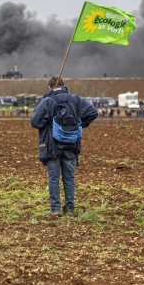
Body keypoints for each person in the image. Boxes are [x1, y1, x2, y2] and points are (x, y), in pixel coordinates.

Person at [30, 75, 98, 216]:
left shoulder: (47, 101)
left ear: (50, 87)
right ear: (63, 85)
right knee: (69, 177)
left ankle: (55, 209)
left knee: (53, 178)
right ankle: (70, 209)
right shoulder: (75, 99)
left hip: (51, 146)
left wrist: (49, 123)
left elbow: (35, 122)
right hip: (71, 144)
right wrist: (78, 125)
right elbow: (93, 112)